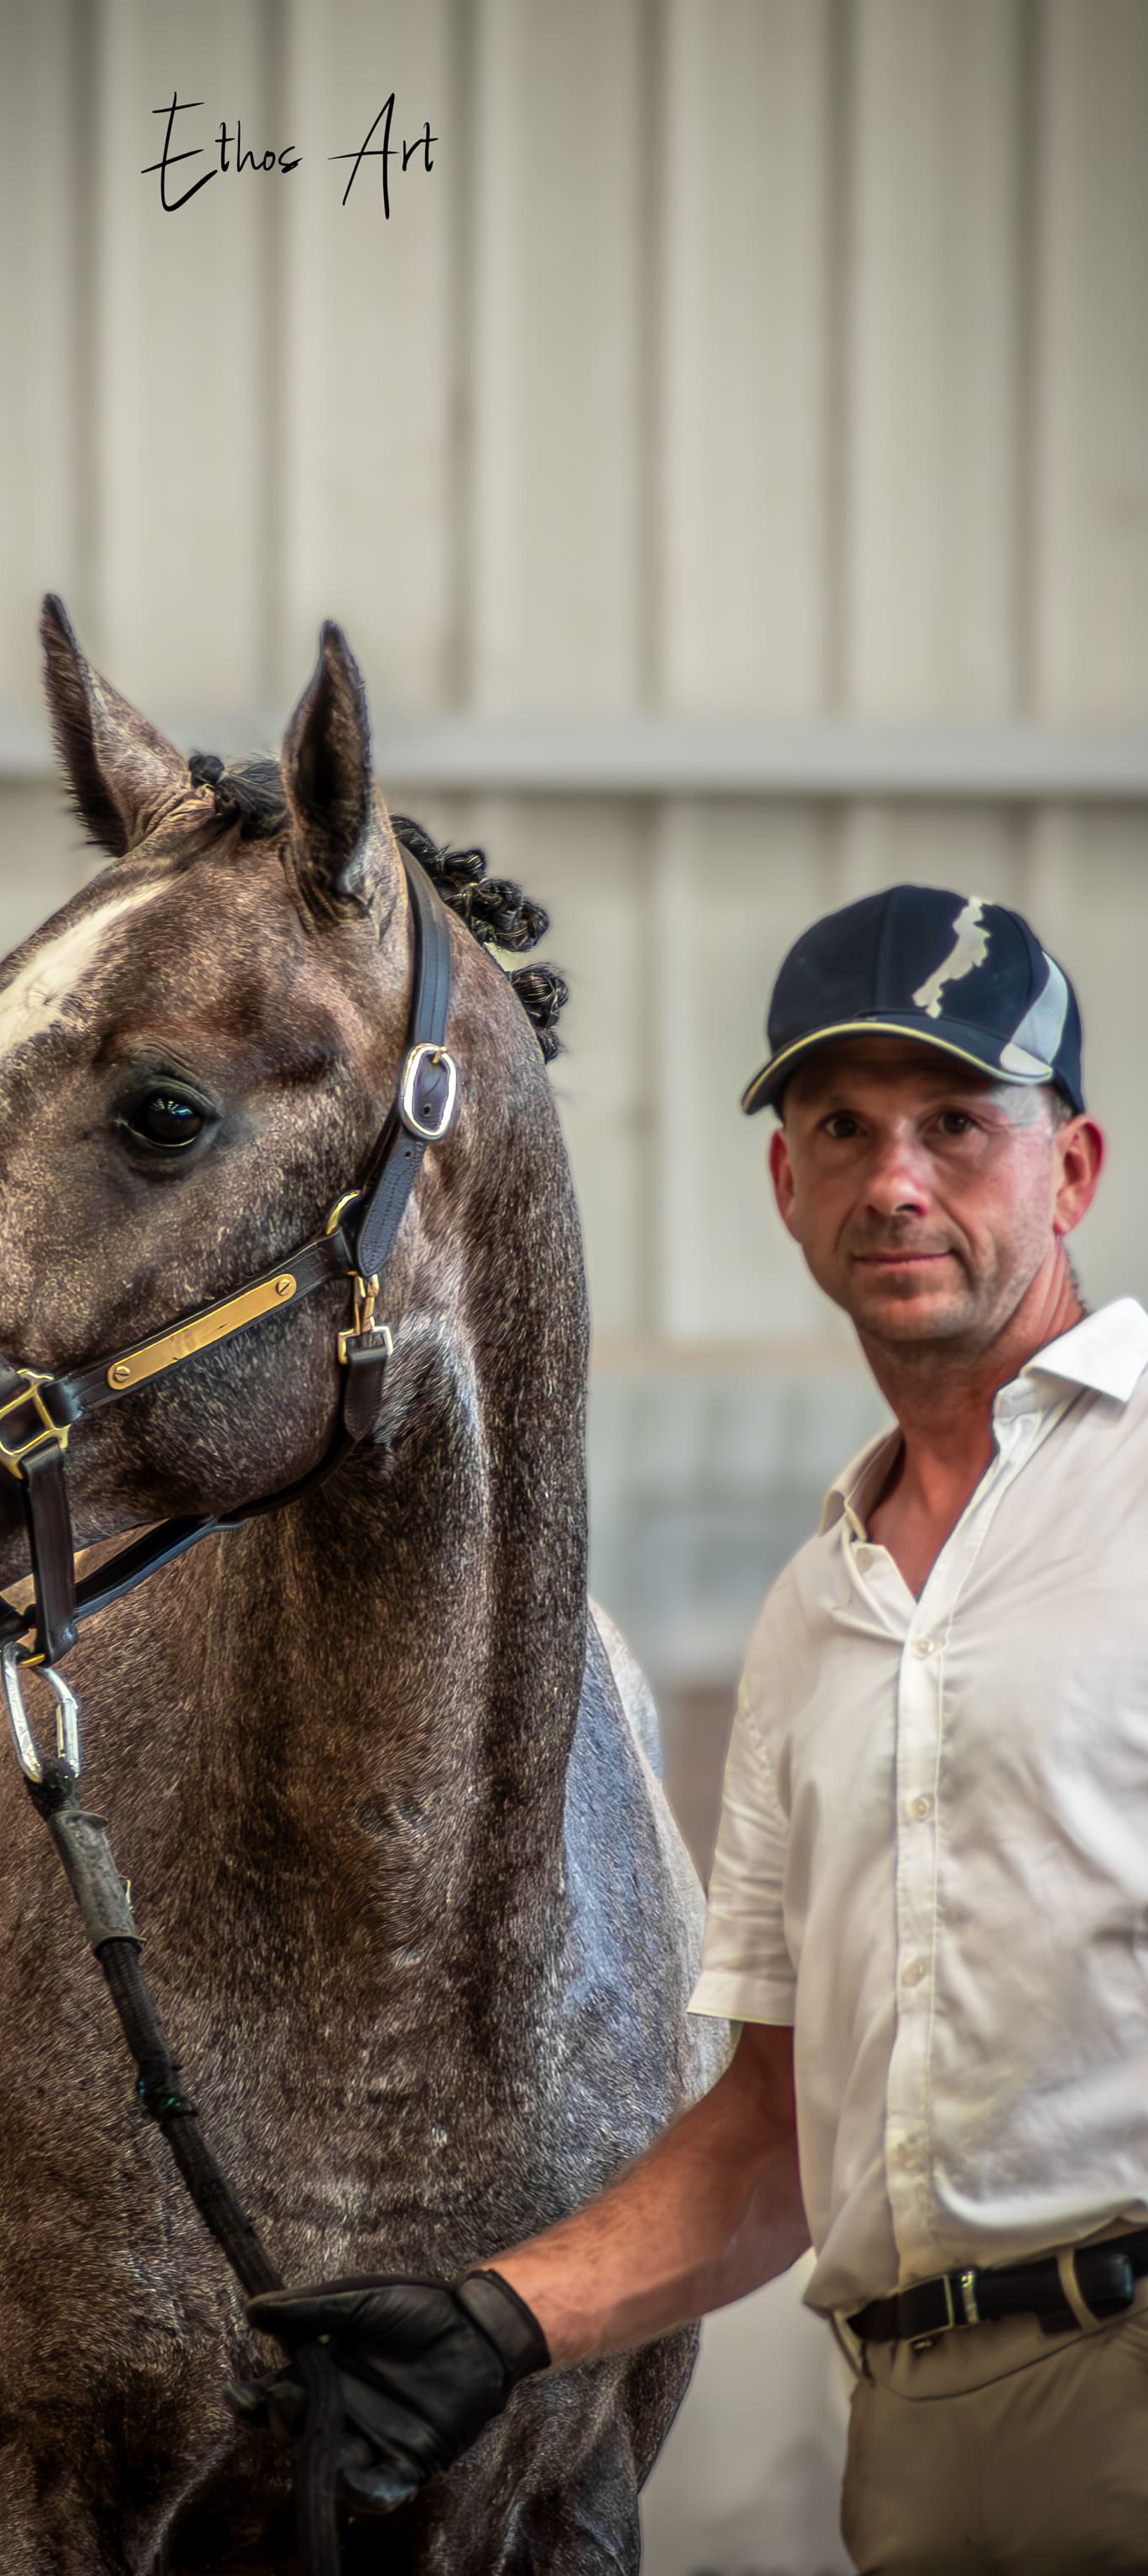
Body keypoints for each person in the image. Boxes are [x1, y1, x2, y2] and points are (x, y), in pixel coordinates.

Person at [231, 886, 1148, 2573]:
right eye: (844, 1129)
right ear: (785, 1185)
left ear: (1070, 1169)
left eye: (957, 1125)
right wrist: (501, 2321)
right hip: (921, 2428)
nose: (896, 1180)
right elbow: (783, 2127)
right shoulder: (815, 1615)